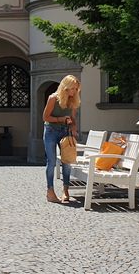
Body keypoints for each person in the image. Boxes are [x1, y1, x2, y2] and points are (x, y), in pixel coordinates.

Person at [43, 74, 80, 202]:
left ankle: (66, 190)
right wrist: (61, 119)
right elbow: (45, 117)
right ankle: (50, 191)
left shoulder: (73, 100)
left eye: (76, 89)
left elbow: (73, 119)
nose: (74, 91)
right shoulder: (53, 98)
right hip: (50, 131)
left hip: (65, 131)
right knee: (51, 162)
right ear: (66, 87)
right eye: (73, 88)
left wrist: (74, 128)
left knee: (67, 162)